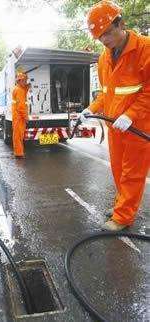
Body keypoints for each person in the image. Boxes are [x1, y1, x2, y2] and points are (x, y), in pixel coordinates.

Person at [80, 0, 150, 231]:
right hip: (115, 127)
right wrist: (92, 108)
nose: (105, 41)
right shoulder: (104, 59)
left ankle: (123, 217)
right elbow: (106, 94)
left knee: (132, 173)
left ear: (121, 23)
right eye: (100, 37)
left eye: (108, 34)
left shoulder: (145, 49)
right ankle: (122, 205)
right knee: (118, 171)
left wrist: (131, 114)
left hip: (138, 126)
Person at [11, 72, 30, 158]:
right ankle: (19, 154)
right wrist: (26, 117)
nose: (25, 82)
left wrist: (27, 87)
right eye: (24, 80)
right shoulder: (19, 90)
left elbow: (21, 101)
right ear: (19, 81)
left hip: (18, 116)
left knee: (19, 135)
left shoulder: (19, 89)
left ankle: (19, 152)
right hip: (19, 116)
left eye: (26, 80)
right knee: (18, 136)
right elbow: (21, 106)